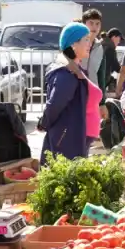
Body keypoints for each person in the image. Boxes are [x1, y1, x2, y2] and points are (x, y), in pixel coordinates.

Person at [39, 23, 94, 161]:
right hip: (65, 138)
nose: (90, 43)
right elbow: (55, 104)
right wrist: (43, 123)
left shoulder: (74, 68)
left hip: (72, 135)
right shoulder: (65, 73)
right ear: (73, 44)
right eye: (86, 39)